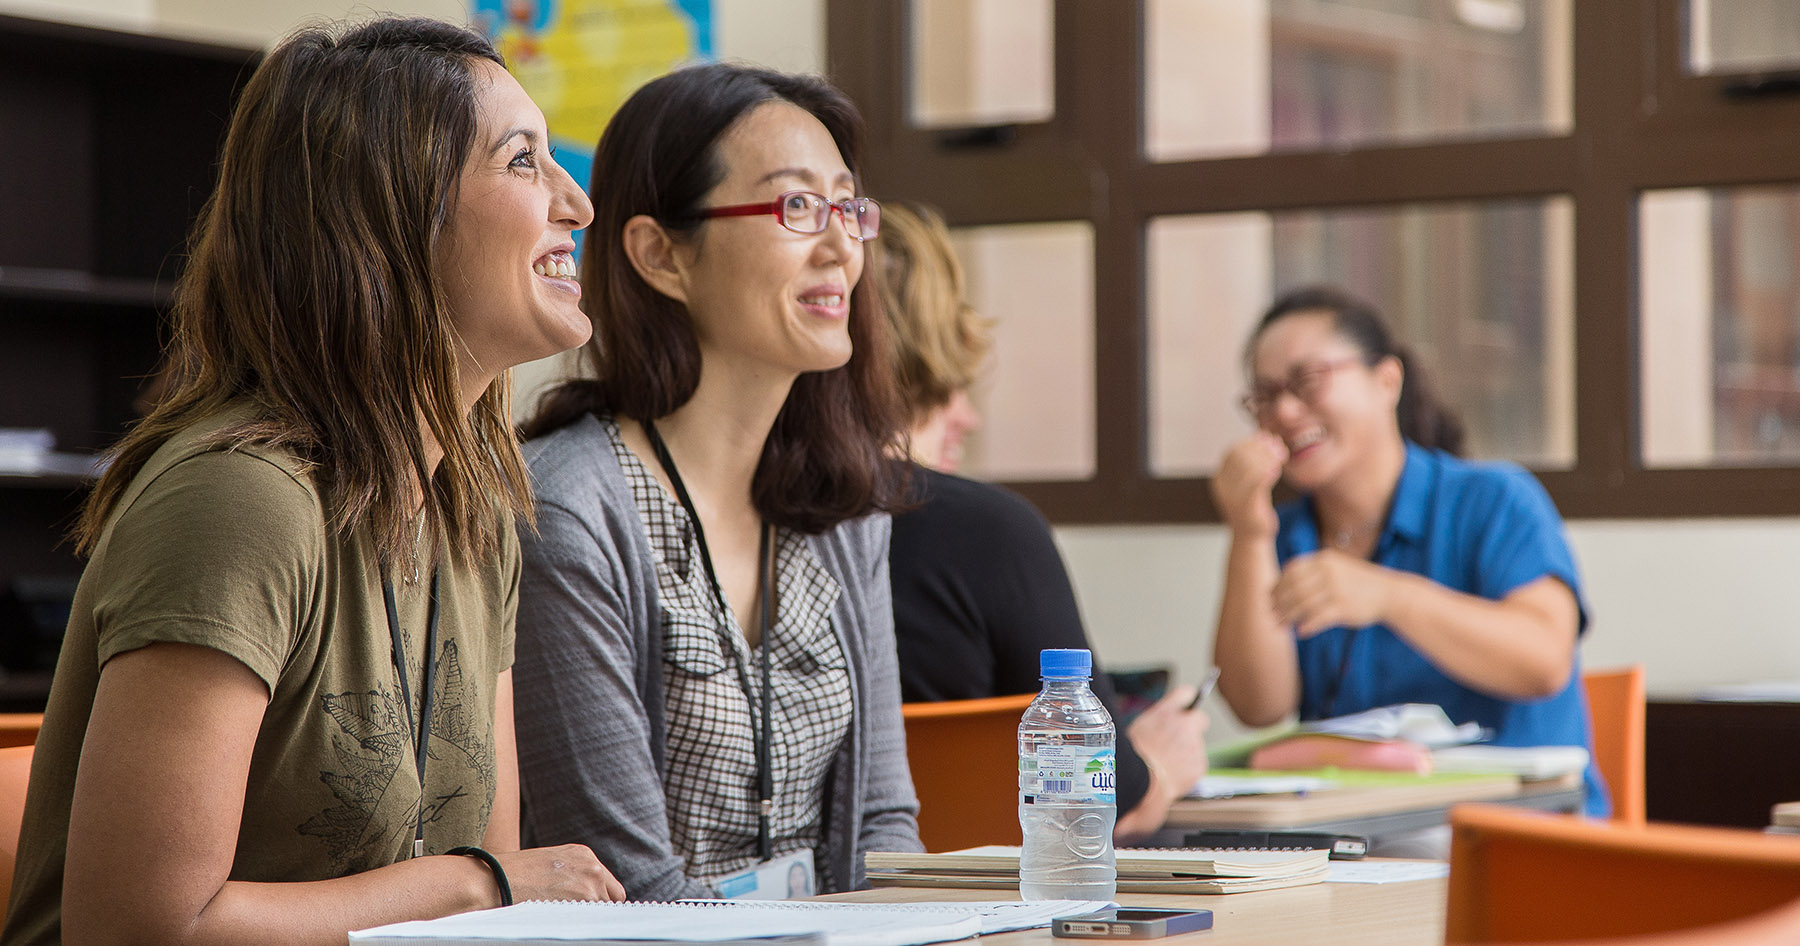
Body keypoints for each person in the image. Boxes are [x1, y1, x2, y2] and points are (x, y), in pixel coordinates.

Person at [0, 18, 629, 946]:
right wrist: (481, 887)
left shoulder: (478, 511)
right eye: (523, 160)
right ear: (388, 215)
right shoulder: (241, 500)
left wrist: (487, 892)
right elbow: (138, 927)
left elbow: (488, 909)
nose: (575, 202)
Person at [512, 62, 921, 901]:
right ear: (660, 254)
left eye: (846, 206)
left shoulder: (844, 510)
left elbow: (884, 828)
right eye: (797, 206)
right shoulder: (570, 509)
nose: (842, 246)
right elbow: (626, 884)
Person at [875, 202, 1211, 842]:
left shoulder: (745, 520)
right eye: (953, 386)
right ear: (917, 371)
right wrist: (1159, 768)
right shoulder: (988, 533)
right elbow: (1111, 805)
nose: (968, 419)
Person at [1210, 285, 1606, 817]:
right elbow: (1258, 705)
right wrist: (1248, 533)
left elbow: (1544, 659)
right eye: (1266, 395)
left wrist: (1388, 597)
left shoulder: (1493, 499)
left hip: (1518, 831)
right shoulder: (1284, 534)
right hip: (1366, 838)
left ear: (1386, 380)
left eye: (1308, 382)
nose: (1284, 410)